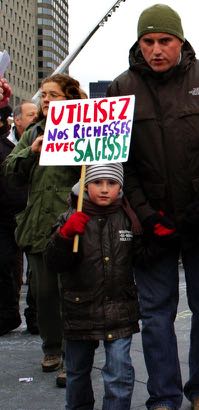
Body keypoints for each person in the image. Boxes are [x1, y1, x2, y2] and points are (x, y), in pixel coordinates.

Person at [106, 4, 199, 409]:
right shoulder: (120, 88)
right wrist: (146, 213)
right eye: (148, 41)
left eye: (164, 41)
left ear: (180, 41)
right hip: (150, 224)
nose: (156, 49)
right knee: (156, 315)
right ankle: (164, 395)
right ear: (139, 43)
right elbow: (121, 162)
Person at [2, 74, 84, 387]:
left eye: (53, 94)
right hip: (38, 224)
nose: (46, 100)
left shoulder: (82, 131)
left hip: (70, 221)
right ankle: (52, 348)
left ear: (69, 98)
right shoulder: (33, 132)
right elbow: (11, 171)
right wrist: (31, 152)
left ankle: (73, 356)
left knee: (70, 292)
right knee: (45, 293)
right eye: (43, 95)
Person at [45, 163, 141, 410]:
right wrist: (64, 237)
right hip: (80, 310)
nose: (105, 189)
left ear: (121, 186)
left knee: (119, 373)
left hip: (119, 309)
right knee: (77, 373)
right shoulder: (70, 216)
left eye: (112, 183)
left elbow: (140, 255)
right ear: (86, 184)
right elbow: (53, 261)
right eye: (98, 182)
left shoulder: (127, 217)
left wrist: (154, 238)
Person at [8, 101, 39, 334]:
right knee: (13, 270)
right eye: (30, 114)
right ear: (17, 119)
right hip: (14, 216)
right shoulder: (15, 142)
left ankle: (34, 316)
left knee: (34, 273)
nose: (35, 116)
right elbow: (9, 170)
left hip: (34, 215)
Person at [0, 104, 23, 336]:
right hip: (6, 216)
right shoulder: (5, 144)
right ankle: (8, 314)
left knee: (36, 274)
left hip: (28, 212)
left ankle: (34, 317)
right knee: (5, 264)